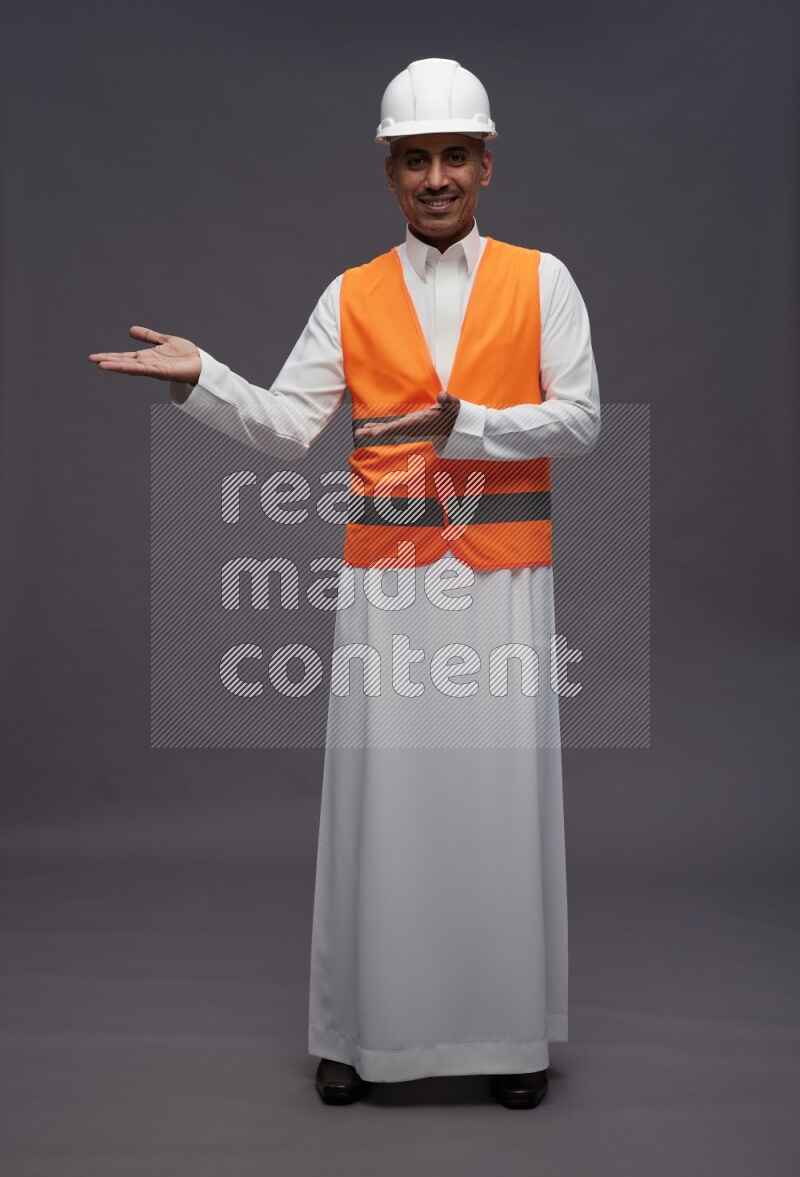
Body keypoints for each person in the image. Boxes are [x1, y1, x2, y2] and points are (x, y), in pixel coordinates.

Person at [89, 57, 601, 1109]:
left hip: (503, 577)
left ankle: (505, 1036)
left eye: (454, 154)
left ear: (486, 165)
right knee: (383, 800)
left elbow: (581, 420)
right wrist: (202, 378)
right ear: (388, 171)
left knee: (500, 800)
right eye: (414, 158)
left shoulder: (543, 280)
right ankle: (357, 1033)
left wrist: (471, 422)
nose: (435, 176)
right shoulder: (350, 293)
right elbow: (285, 428)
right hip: (389, 581)